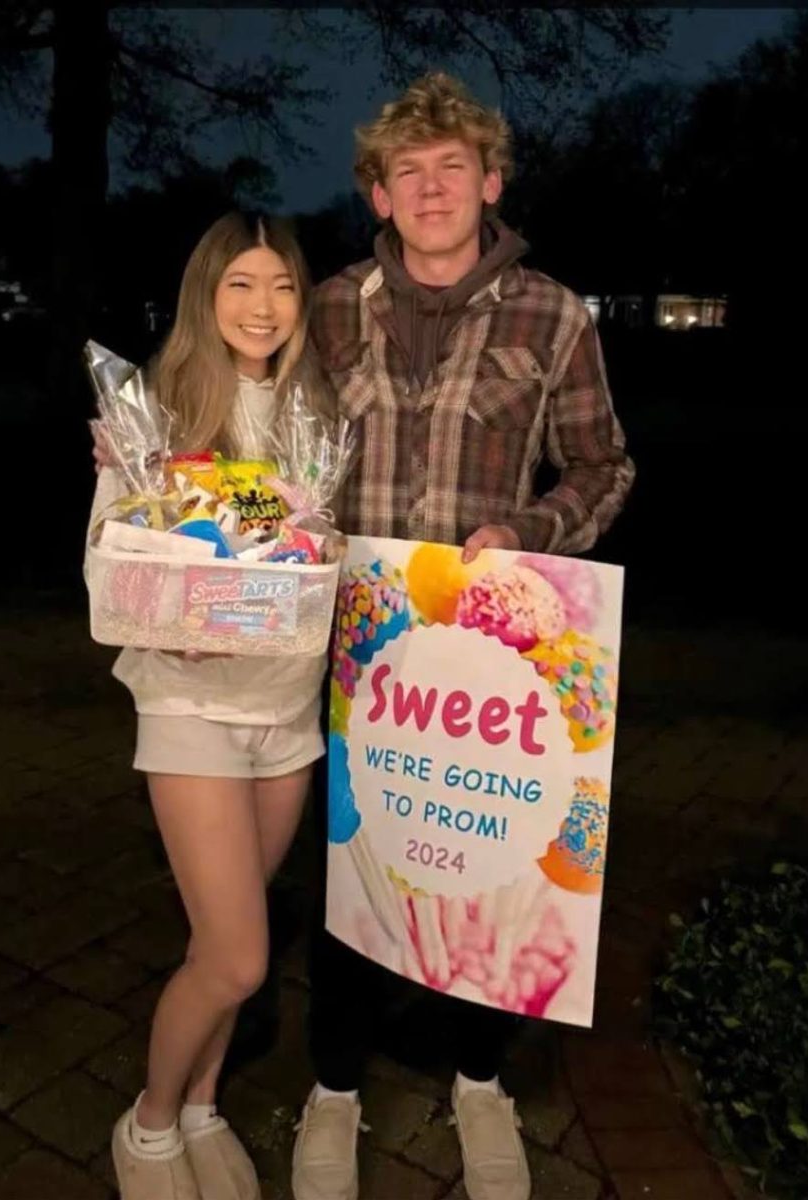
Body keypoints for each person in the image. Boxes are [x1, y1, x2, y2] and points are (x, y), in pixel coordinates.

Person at [291, 73, 635, 1200]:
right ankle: (333, 1091)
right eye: (407, 172)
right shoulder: (328, 307)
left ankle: (480, 1082)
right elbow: (259, 440)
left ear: (489, 184)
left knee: (482, 874)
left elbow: (604, 466)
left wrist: (533, 527)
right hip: (351, 649)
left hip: (489, 657)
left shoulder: (555, 313)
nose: (431, 189)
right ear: (377, 195)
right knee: (348, 868)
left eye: (454, 168)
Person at [92, 212, 333, 1200]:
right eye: (240, 283)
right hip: (191, 702)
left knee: (222, 942)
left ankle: (199, 1104)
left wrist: (308, 549)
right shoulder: (155, 409)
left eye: (280, 284)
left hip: (288, 710)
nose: (262, 305)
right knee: (239, 957)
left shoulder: (318, 413)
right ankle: (147, 1126)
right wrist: (167, 601)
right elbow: (109, 563)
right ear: (206, 294)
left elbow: (307, 551)